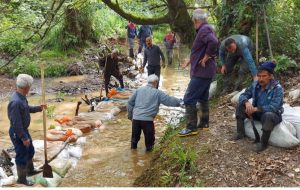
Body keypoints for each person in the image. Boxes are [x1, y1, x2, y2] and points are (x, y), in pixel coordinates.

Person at [178, 9, 218, 137]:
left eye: (193, 20)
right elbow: (201, 49)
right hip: (205, 72)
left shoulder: (204, 29)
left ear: (195, 20)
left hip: (201, 72)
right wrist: (190, 60)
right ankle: (204, 123)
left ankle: (191, 127)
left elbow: (213, 42)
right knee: (202, 98)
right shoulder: (206, 28)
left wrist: (206, 57)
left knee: (189, 99)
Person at [234, 61, 284, 152]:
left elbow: (274, 107)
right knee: (241, 105)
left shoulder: (277, 88)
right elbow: (243, 95)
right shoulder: (255, 84)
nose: (261, 79)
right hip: (257, 112)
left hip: (272, 115)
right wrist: (246, 102)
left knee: (268, 115)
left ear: (270, 76)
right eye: (259, 76)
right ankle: (240, 133)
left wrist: (257, 109)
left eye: (264, 76)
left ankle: (263, 143)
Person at [8, 74, 47, 186]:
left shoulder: (22, 97)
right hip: (18, 132)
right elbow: (16, 124)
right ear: (26, 87)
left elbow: (27, 109)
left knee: (30, 150)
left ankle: (30, 170)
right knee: (22, 154)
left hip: (23, 130)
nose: (30, 88)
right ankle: (22, 179)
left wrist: (39, 108)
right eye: (30, 86)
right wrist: (24, 137)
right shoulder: (16, 102)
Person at [127, 74, 182, 151]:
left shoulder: (138, 90)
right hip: (148, 121)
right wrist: (181, 102)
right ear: (156, 82)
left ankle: (133, 157)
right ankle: (148, 160)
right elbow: (169, 100)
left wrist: (130, 116)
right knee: (150, 145)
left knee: (134, 141)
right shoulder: (158, 93)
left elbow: (130, 102)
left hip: (136, 119)